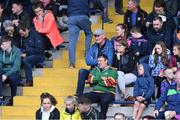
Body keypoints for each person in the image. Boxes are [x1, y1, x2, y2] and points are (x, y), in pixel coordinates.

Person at [75, 29, 114, 97]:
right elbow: (87, 61)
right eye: (95, 36)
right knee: (81, 71)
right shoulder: (94, 46)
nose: (96, 38)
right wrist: (101, 61)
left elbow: (109, 62)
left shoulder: (109, 46)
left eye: (98, 36)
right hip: (94, 71)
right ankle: (78, 95)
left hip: (104, 72)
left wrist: (94, 60)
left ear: (104, 36)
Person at [84, 54, 118, 119]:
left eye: (101, 61)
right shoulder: (95, 70)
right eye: (98, 61)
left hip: (108, 93)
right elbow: (90, 80)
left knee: (104, 101)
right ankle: (89, 116)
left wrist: (96, 80)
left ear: (106, 61)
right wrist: (102, 78)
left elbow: (109, 83)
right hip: (95, 92)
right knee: (83, 98)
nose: (99, 63)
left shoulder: (113, 70)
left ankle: (102, 118)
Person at [67, 0, 92, 68]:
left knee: (72, 41)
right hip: (83, 16)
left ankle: (72, 63)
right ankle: (87, 54)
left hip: (71, 17)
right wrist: (102, 8)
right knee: (89, 33)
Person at [0, 35, 21, 105]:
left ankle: (13, 99)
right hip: (3, 72)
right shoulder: (1, 51)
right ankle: (1, 97)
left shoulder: (17, 51)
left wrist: (6, 75)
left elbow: (16, 67)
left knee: (13, 78)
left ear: (9, 43)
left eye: (3, 44)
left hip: (13, 72)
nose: (1, 46)